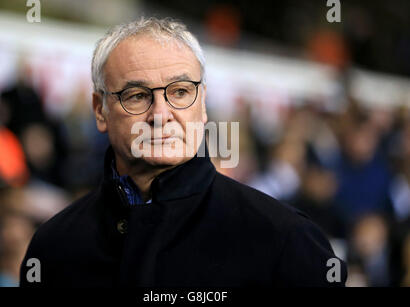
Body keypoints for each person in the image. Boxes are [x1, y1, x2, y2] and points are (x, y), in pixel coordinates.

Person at [20, 17, 347, 287]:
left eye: (179, 92)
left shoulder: (285, 240)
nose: (160, 115)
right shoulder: (54, 246)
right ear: (100, 110)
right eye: (136, 95)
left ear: (202, 105)